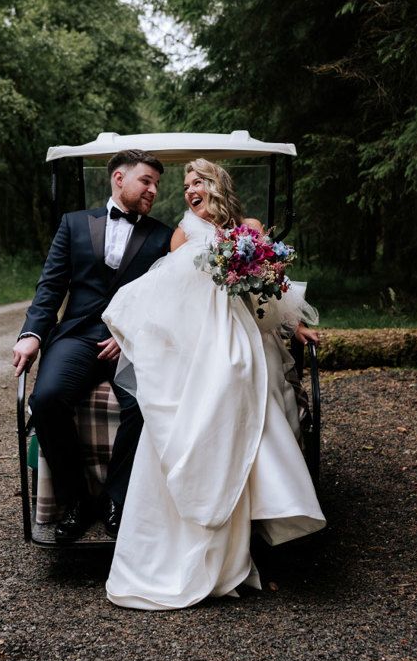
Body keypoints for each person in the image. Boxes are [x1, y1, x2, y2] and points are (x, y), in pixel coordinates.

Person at [102, 157, 326, 609]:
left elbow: (268, 287)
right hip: (199, 337)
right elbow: (167, 292)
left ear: (217, 184)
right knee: (215, 382)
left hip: (244, 330)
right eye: (185, 185)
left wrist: (296, 323)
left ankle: (257, 519)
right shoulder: (182, 235)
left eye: (198, 182)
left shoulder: (248, 228)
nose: (189, 190)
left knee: (245, 373)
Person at [12, 150, 172, 542]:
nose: (153, 190)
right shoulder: (74, 224)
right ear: (119, 179)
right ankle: (78, 500)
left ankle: (118, 499)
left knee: (145, 403)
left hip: (134, 343)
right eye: (145, 181)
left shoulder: (165, 236)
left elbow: (168, 298)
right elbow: (51, 286)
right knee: (46, 399)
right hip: (79, 337)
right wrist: (32, 335)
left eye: (156, 184)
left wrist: (130, 333)